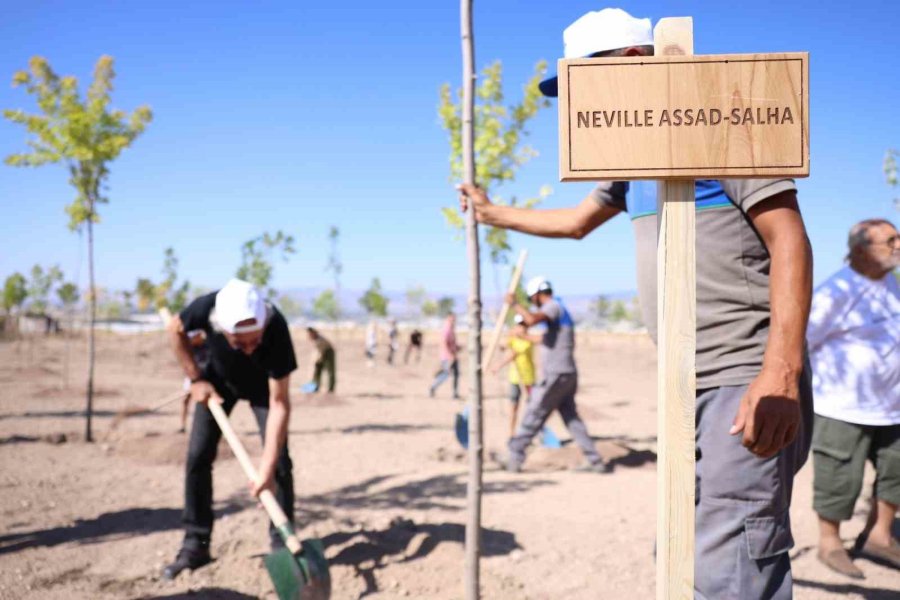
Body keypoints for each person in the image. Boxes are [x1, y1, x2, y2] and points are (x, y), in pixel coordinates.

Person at [458, 8, 814, 597]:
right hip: (683, 379)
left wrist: (779, 373)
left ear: (631, 63)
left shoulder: (724, 124)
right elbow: (575, 223)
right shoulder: (631, 164)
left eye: (580, 83)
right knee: (683, 548)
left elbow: (790, 241)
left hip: (743, 373)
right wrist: (493, 213)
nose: (573, 104)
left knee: (734, 561)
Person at [162, 279, 297, 579]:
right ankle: (196, 544)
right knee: (197, 456)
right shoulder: (206, 308)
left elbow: (279, 403)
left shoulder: (276, 327)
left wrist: (266, 469)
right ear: (221, 329)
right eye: (239, 342)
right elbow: (175, 329)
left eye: (254, 341)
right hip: (217, 384)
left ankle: (282, 544)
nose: (249, 349)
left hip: (264, 388)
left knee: (280, 462)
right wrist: (195, 378)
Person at [807, 218, 900, 578]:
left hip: (892, 407)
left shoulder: (892, 284)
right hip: (842, 407)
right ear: (861, 249)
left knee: (895, 473)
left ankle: (879, 537)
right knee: (838, 477)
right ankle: (830, 545)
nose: (897, 246)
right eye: (890, 240)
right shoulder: (837, 291)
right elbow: (805, 342)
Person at [505, 277, 608, 472]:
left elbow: (531, 319)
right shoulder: (560, 313)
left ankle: (515, 456)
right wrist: (524, 336)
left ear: (537, 294)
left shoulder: (552, 306)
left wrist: (514, 304)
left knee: (534, 412)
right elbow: (546, 339)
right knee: (571, 419)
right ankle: (595, 461)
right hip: (568, 374)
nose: (532, 303)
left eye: (531, 299)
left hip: (555, 374)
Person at [492, 314, 537, 438]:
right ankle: (511, 433)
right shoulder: (513, 338)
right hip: (515, 378)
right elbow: (504, 346)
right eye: (519, 325)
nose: (520, 327)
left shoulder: (528, 340)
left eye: (523, 324)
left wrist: (498, 366)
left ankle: (530, 432)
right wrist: (502, 341)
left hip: (528, 378)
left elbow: (513, 354)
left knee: (532, 407)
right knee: (514, 406)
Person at [180, 329, 210, 433]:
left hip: (206, 378)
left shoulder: (208, 346)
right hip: (192, 377)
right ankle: (182, 425)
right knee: (185, 400)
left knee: (205, 403)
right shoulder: (190, 348)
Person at [429, 313, 459, 399]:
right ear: (447, 319)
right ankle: (433, 387)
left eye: (454, 319)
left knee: (456, 374)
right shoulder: (446, 330)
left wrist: (457, 348)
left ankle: (455, 393)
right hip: (447, 357)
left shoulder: (452, 329)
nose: (453, 320)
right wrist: (450, 356)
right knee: (446, 374)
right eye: (452, 319)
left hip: (454, 356)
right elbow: (444, 343)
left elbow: (451, 344)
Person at [306, 327, 336, 394]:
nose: (309, 335)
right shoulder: (314, 339)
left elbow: (320, 352)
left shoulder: (320, 340)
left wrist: (316, 361)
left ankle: (330, 389)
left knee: (330, 371)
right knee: (317, 371)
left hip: (328, 353)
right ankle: (315, 387)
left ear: (314, 333)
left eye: (310, 333)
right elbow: (316, 352)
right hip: (320, 354)